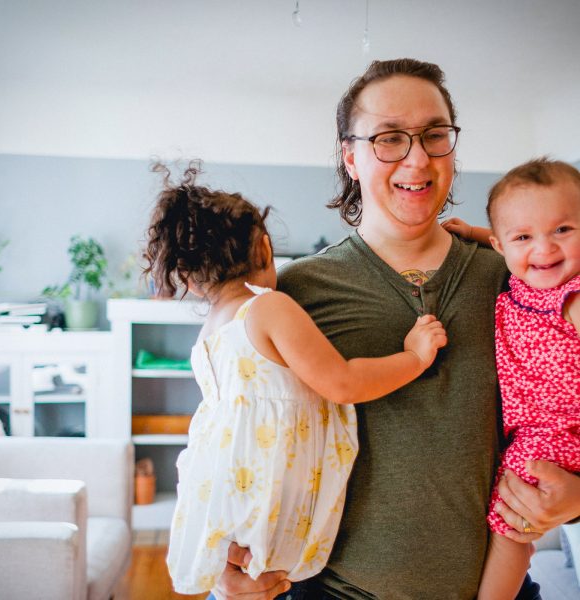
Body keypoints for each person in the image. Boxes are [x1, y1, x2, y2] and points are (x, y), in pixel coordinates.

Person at [211, 58, 580, 600]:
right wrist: (226, 563)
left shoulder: (523, 275)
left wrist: (577, 497)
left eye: (435, 135)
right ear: (350, 156)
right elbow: (236, 431)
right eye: (389, 138)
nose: (417, 157)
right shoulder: (294, 293)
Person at [143, 162, 447, 594]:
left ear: (191, 282)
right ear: (265, 249)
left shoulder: (211, 331)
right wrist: (414, 356)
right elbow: (343, 382)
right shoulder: (268, 307)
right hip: (266, 507)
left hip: (226, 503)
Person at [443, 158, 580, 600]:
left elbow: (519, 236)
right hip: (530, 430)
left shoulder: (573, 296)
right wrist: (473, 234)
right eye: (525, 237)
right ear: (501, 244)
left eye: (564, 230)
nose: (544, 249)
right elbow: (510, 236)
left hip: (556, 435)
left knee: (510, 524)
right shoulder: (522, 273)